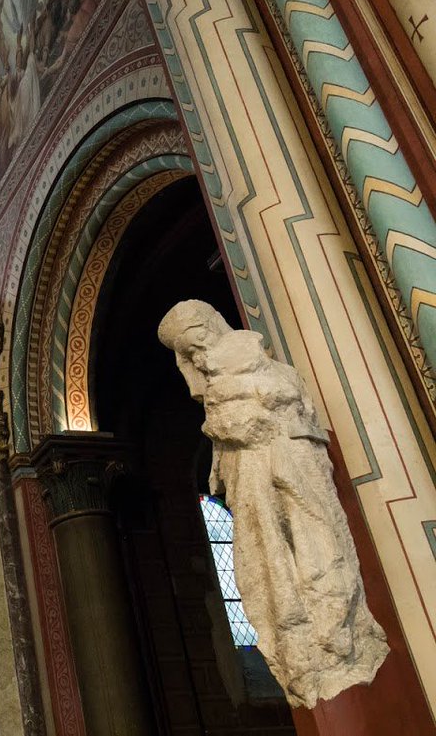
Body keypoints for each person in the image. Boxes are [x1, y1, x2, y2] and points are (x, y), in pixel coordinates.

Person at [158, 300, 388, 708]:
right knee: (266, 558)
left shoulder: (264, 363)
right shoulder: (212, 384)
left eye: (196, 339)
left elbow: (278, 400)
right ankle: (296, 637)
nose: (197, 355)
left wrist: (242, 410)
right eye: (188, 353)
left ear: (210, 324)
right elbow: (224, 425)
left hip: (289, 458)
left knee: (318, 541)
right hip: (249, 473)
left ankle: (336, 631)